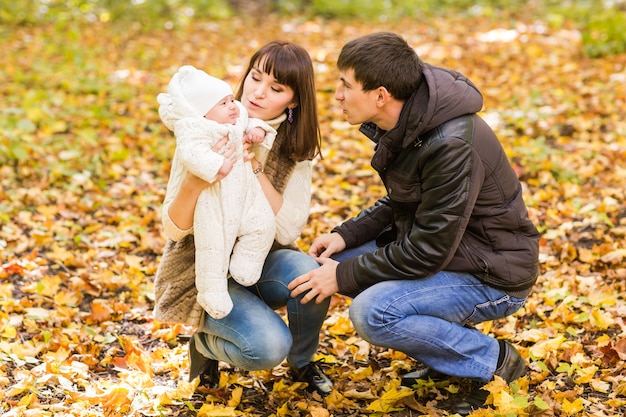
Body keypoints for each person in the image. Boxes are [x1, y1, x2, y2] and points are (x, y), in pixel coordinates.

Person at [288, 31, 540, 414]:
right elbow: (403, 200)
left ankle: (494, 360)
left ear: (381, 95)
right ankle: (444, 357)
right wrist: (346, 234)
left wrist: (342, 277)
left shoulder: (450, 143)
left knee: (372, 311)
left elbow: (427, 251)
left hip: (492, 275)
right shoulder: (415, 121)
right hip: (453, 255)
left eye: (345, 85)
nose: (337, 95)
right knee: (343, 259)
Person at [153, 41, 333, 396]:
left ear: (293, 101)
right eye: (255, 78)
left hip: (261, 259)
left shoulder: (294, 149)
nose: (258, 93)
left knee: (312, 276)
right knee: (266, 348)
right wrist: (192, 183)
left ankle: (302, 362)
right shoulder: (205, 129)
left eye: (276, 88)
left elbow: (287, 228)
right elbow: (173, 228)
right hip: (204, 269)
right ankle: (205, 347)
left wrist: (253, 164)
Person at [157, 65, 277, 319]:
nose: (234, 105)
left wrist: (257, 130)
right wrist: (213, 167)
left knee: (263, 223)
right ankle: (212, 293)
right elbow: (192, 153)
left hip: (245, 197)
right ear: (203, 113)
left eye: (231, 99)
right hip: (214, 202)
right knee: (214, 246)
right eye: (224, 103)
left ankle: (247, 262)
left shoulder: (236, 116)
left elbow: (249, 120)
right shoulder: (196, 129)